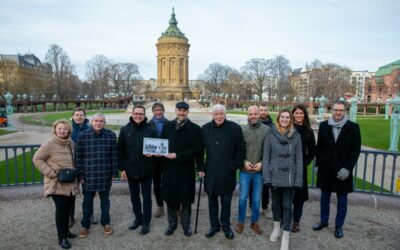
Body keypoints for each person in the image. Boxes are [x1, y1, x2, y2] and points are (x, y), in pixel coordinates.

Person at [313, 100, 361, 238]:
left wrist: (348, 168)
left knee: (342, 201)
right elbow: (319, 148)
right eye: (336, 110)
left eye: (341, 110)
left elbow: (355, 150)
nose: (338, 112)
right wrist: (317, 164)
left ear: (345, 111)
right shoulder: (323, 126)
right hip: (326, 168)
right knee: (324, 198)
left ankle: (339, 226)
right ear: (332, 110)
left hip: (343, 170)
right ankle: (323, 221)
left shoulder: (353, 127)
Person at [198, 104, 245, 240]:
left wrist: (233, 166)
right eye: (216, 114)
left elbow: (240, 150)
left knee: (226, 202)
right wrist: (200, 168)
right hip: (211, 172)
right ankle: (214, 226)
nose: (219, 117)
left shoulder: (235, 128)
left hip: (227, 172)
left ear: (225, 114)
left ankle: (225, 225)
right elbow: (200, 152)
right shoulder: (205, 129)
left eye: (221, 114)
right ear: (212, 115)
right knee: (212, 201)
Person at [33, 119, 79, 249]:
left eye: (65, 129)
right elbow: (36, 159)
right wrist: (51, 173)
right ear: (55, 129)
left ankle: (66, 232)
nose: (62, 131)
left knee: (68, 208)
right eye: (59, 128)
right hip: (57, 183)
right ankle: (61, 238)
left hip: (70, 182)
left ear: (68, 130)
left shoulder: (71, 143)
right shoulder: (49, 143)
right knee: (62, 211)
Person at [161, 101, 203, 237]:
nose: (181, 113)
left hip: (186, 168)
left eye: (184, 111)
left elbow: (197, 150)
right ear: (175, 111)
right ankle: (172, 224)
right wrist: (155, 152)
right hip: (169, 168)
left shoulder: (195, 129)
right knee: (170, 197)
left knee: (185, 199)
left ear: (187, 112)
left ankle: (186, 224)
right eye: (179, 110)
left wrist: (178, 155)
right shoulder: (167, 126)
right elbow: (162, 145)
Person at [263, 109, 302, 250]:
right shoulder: (270, 134)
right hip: (275, 176)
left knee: (287, 205)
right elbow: (266, 158)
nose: (285, 119)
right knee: (275, 204)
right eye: (282, 117)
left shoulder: (296, 136)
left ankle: (286, 234)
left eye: (287, 117)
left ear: (290, 119)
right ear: (278, 119)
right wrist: (267, 177)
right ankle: (276, 228)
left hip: (290, 177)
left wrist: (298, 181)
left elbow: (299, 160)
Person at [75, 113, 118, 238]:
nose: (98, 123)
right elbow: (78, 157)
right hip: (88, 175)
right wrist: (80, 175)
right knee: (87, 202)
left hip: (105, 173)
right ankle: (85, 225)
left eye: (101, 121)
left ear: (104, 123)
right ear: (92, 122)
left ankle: (106, 223)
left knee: (105, 201)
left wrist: (114, 173)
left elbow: (114, 156)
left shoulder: (111, 135)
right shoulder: (82, 136)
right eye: (96, 121)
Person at [118, 105, 156, 235]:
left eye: (141, 114)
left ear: (144, 115)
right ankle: (138, 218)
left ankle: (146, 222)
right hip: (131, 168)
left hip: (147, 168)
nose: (138, 116)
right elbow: (120, 151)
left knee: (146, 197)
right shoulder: (125, 130)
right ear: (132, 114)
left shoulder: (151, 129)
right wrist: (122, 168)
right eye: (136, 113)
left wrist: (153, 154)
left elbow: (158, 148)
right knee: (134, 197)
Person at [235, 106, 270, 235]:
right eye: (251, 114)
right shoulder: (242, 130)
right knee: (243, 198)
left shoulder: (266, 130)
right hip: (245, 170)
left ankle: (254, 222)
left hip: (259, 171)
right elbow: (238, 149)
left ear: (259, 115)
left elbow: (268, 151)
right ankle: (240, 221)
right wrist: (244, 162)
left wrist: (262, 163)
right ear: (247, 115)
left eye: (256, 114)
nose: (253, 116)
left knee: (256, 199)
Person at [69, 107, 96, 228]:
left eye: (81, 115)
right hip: (70, 165)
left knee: (88, 193)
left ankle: (90, 214)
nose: (79, 117)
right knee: (70, 194)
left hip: (86, 166)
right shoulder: (68, 129)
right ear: (73, 116)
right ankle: (70, 216)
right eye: (77, 115)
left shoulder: (90, 129)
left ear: (85, 117)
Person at [291, 104, 316, 232]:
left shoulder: (308, 131)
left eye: (301, 113)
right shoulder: (287, 128)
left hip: (300, 169)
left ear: (304, 115)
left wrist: (304, 162)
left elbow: (312, 151)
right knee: (286, 195)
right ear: (293, 114)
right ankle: (284, 218)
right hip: (287, 168)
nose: (299, 115)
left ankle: (296, 221)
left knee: (299, 198)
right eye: (296, 113)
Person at [148, 102, 169, 218]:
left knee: (170, 182)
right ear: (153, 111)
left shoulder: (170, 124)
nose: (158, 112)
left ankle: (173, 205)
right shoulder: (148, 124)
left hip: (167, 158)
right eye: (156, 110)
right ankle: (160, 205)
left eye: (160, 110)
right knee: (156, 183)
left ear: (163, 111)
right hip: (154, 159)